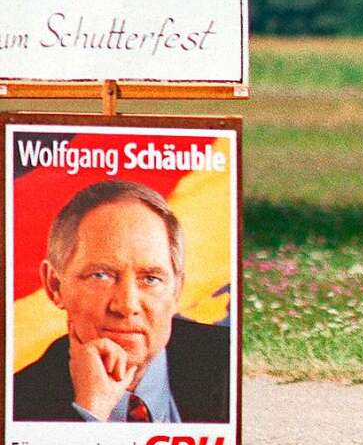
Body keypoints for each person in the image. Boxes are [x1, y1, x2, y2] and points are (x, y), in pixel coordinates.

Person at [13, 180, 230, 423]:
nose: (127, 306)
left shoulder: (226, 360)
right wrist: (88, 413)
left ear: (176, 289)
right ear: (55, 286)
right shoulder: (19, 402)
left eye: (150, 279)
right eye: (101, 276)